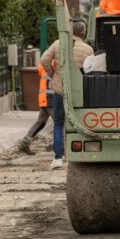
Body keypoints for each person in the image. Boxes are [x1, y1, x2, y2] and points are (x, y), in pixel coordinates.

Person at [41, 21, 94, 170]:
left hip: (60, 90)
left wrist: (52, 73)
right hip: (79, 92)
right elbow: (92, 69)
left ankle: (58, 158)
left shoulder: (58, 44)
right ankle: (82, 155)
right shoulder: (88, 49)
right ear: (83, 33)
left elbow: (44, 59)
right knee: (80, 123)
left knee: (58, 123)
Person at [18, 64, 53, 155]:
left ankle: (24, 143)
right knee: (59, 123)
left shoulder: (46, 65)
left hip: (45, 98)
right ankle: (59, 146)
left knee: (40, 123)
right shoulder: (55, 65)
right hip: (51, 99)